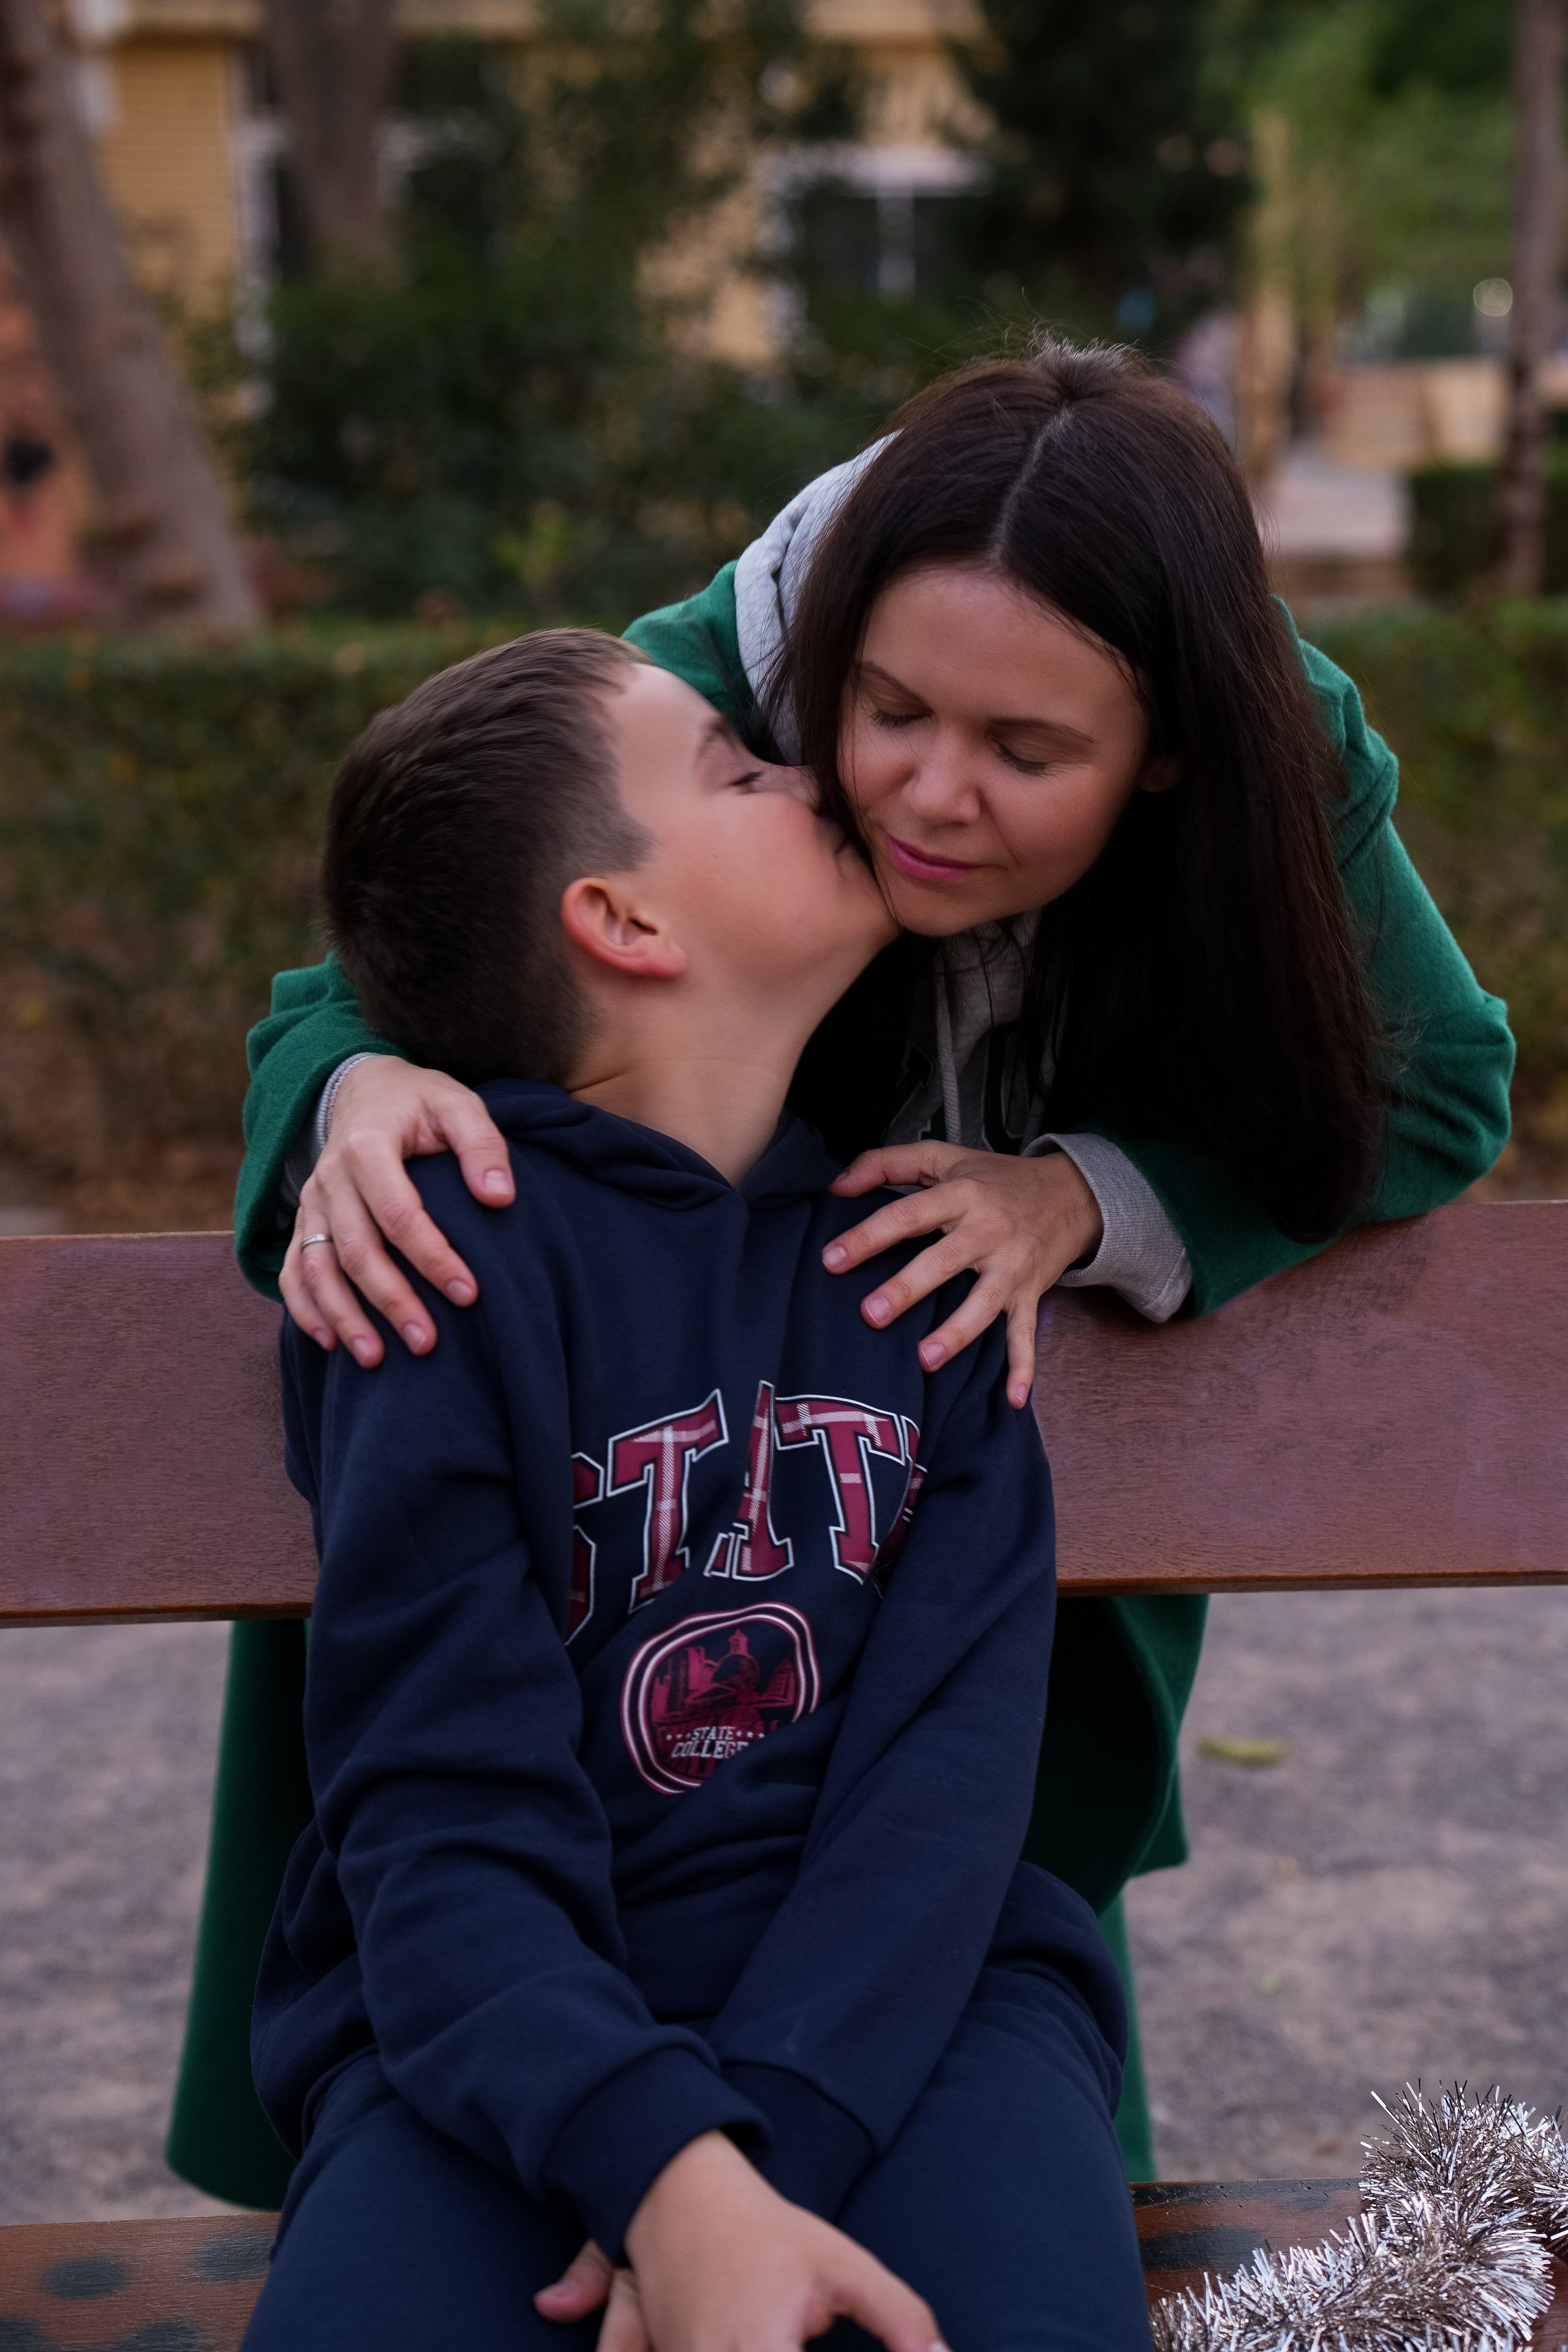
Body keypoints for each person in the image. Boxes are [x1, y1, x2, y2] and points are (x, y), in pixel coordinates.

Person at [168, 337, 1514, 2206]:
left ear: (1171, 749)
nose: (930, 796)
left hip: (924, 1550)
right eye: (885, 712)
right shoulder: (714, 683)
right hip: (595, 1536)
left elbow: (1440, 1082)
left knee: (964, 2025)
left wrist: (1086, 1198)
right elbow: (394, 946)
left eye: (1030, 754)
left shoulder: (1275, 748)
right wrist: (362, 1085)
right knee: (485, 2079)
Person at [239, 625, 1147, 2352]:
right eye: (740, 772)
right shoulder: (439, 1271)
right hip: (494, 2034)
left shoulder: (922, 1272)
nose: (821, 776)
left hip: (913, 2006)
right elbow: (440, 1812)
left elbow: (942, 1800)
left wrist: (754, 2173)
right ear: (627, 920)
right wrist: (659, 2167)